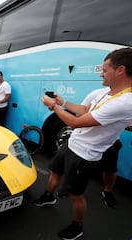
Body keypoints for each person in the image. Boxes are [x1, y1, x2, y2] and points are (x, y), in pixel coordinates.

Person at [33, 48, 132, 240]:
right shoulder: (106, 92)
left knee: (75, 195)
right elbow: (85, 110)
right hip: (71, 144)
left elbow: (75, 122)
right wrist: (62, 103)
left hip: (84, 156)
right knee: (54, 171)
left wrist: (53, 106)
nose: (101, 73)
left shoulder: (125, 102)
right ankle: (48, 196)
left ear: (120, 70)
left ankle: (77, 226)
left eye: (104, 69)